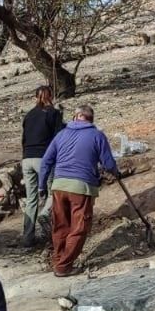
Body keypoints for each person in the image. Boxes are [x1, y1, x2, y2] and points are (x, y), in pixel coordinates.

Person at [37, 104, 118, 278]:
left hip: (59, 187)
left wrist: (42, 186)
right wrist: (115, 172)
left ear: (75, 117)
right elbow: (109, 164)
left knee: (60, 226)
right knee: (79, 228)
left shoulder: (61, 135)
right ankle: (63, 266)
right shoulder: (97, 135)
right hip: (81, 188)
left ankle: (58, 259)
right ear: (91, 119)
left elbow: (45, 162)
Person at [20, 84, 64, 247]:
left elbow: (24, 138)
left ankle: (27, 237)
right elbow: (58, 137)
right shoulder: (54, 113)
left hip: (26, 159)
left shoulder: (29, 115)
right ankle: (45, 215)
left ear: (35, 97)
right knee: (54, 191)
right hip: (43, 158)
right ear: (51, 97)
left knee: (31, 199)